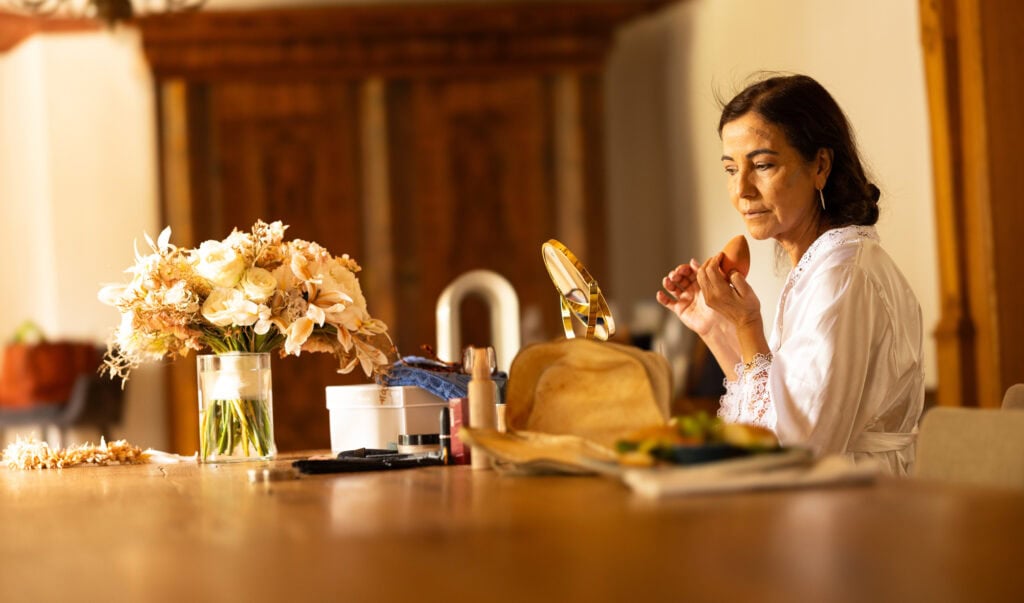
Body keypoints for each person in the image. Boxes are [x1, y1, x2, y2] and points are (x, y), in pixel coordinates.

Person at [656, 74, 924, 475]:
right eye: (731, 169)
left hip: (860, 509)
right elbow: (778, 407)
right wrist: (715, 326)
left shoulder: (842, 274)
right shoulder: (821, 265)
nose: (742, 189)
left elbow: (796, 450)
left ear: (820, 165)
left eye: (762, 165)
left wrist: (746, 323)